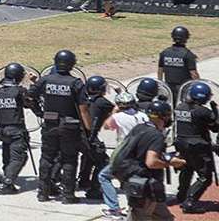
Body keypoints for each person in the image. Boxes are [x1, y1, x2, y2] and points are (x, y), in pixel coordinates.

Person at [28, 50, 92, 203]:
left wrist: (40, 112)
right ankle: (68, 195)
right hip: (70, 127)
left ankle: (43, 193)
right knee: (69, 159)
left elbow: (29, 97)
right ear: (72, 64)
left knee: (47, 158)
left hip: (50, 124)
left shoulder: (45, 80)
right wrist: (88, 131)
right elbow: (83, 110)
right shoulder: (76, 83)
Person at [115, 101, 185, 221]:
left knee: (164, 218)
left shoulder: (139, 128)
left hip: (136, 181)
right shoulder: (156, 135)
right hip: (144, 185)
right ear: (163, 116)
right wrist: (172, 162)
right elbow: (151, 162)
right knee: (141, 217)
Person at [98, 92, 149, 220]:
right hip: (141, 152)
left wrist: (114, 112)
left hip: (125, 154)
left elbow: (106, 126)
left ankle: (114, 208)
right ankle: (135, 208)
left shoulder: (118, 116)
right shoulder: (143, 115)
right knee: (131, 179)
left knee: (103, 176)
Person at [173, 82, 219, 213]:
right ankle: (190, 202)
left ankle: (181, 196)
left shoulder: (180, 107)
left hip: (181, 144)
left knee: (187, 169)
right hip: (198, 147)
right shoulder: (203, 111)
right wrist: (216, 111)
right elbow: (215, 128)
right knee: (205, 177)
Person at [0, 63, 31, 194]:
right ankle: (7, 183)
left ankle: (6, 175)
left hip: (2, 130)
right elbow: (29, 103)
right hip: (16, 130)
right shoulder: (19, 91)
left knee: (8, 156)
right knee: (19, 158)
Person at [78, 76, 115, 200]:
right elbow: (116, 111)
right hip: (89, 137)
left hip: (77, 135)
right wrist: (121, 93)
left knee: (89, 156)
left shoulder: (82, 99)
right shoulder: (103, 102)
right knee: (103, 161)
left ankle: (83, 180)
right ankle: (94, 189)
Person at [158, 26, 199, 104]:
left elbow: (160, 70)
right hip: (183, 88)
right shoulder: (188, 54)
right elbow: (193, 74)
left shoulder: (165, 53)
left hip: (168, 87)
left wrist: (161, 85)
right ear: (186, 38)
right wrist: (198, 84)